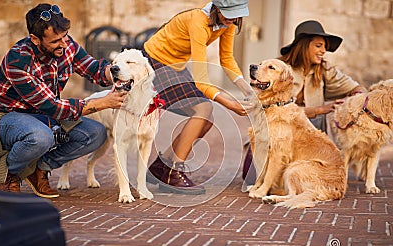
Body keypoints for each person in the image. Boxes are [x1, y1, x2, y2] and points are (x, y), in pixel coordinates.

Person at [0, 3, 127, 198]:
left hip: (44, 117)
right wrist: (102, 103)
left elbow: (95, 70)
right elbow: (52, 107)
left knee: (96, 134)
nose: (64, 44)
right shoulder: (19, 60)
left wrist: (118, 71)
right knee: (41, 137)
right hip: (7, 118)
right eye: (56, 40)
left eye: (65, 36)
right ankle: (9, 173)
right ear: (35, 39)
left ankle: (39, 169)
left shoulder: (67, 45)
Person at [143, 0, 254, 194]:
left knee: (207, 119)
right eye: (229, 13)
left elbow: (227, 59)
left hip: (175, 65)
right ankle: (174, 171)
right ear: (217, 9)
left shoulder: (227, 23)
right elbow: (202, 81)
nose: (234, 18)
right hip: (155, 61)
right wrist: (229, 104)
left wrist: (248, 91)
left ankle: (161, 168)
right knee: (204, 109)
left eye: (237, 14)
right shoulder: (198, 21)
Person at [242, 20, 367, 185]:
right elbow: (272, 110)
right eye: (318, 46)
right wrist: (319, 109)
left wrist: (355, 101)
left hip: (306, 142)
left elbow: (358, 88)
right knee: (250, 177)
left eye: (325, 47)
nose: (323, 51)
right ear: (304, 45)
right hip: (275, 136)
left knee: (286, 179)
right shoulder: (279, 70)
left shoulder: (325, 69)